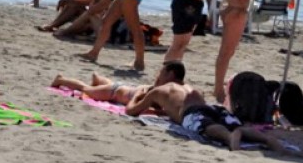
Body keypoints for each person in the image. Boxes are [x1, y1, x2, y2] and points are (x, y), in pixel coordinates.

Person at [123, 65, 287, 153]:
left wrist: (137, 95)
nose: (157, 78)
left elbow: (131, 111)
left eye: (160, 74)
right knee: (229, 123)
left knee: (207, 127)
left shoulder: (158, 90)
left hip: (193, 113)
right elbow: (175, 109)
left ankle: (229, 137)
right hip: (212, 108)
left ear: (170, 74)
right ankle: (265, 139)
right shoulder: (190, 87)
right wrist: (158, 112)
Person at [50, 61, 187, 105]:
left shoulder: (168, 88)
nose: (158, 75)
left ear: (170, 74)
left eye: (161, 72)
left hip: (121, 88)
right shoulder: (157, 88)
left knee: (112, 84)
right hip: (113, 93)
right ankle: (60, 79)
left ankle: (99, 80)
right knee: (85, 88)